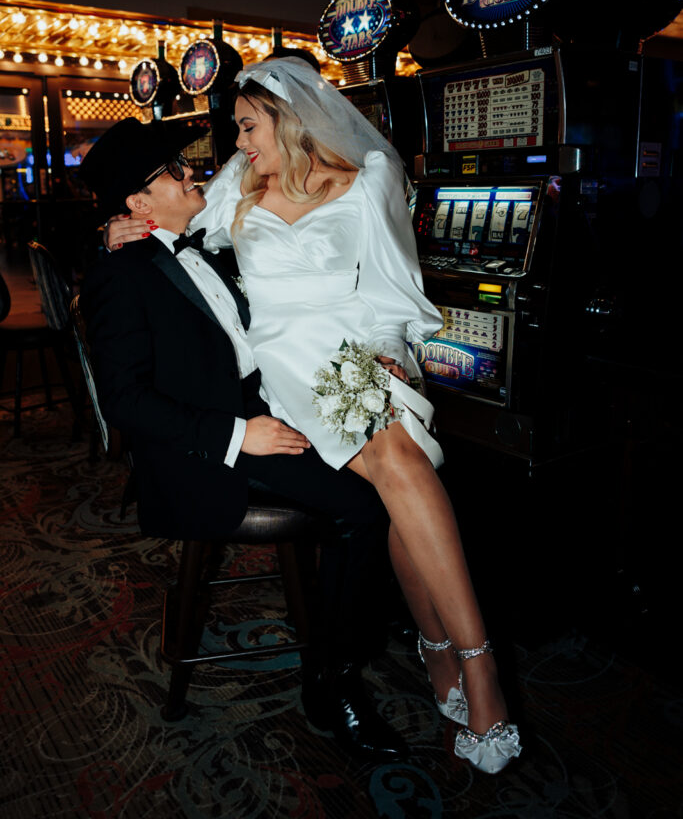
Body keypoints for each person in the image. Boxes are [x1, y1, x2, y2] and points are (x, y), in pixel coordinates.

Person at [104, 59, 522, 774]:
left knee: (399, 471)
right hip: (289, 365)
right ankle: (471, 661)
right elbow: (165, 227)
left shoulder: (368, 181)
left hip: (354, 353)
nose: (235, 143)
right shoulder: (236, 185)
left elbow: (392, 293)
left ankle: (446, 650)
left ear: (287, 116)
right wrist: (118, 226)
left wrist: (390, 353)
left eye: (246, 125)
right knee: (399, 465)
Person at [78, 117, 405, 763]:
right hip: (203, 451)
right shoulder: (121, 271)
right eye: (171, 172)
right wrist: (238, 436)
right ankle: (332, 683)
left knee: (390, 461)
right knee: (360, 507)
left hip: (263, 405)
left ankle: (367, 608)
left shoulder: (198, 239)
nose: (187, 173)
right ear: (137, 204)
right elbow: (126, 400)